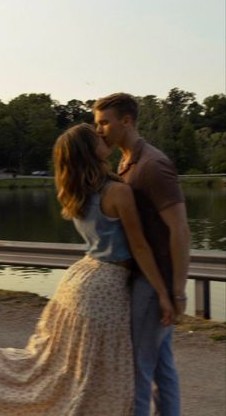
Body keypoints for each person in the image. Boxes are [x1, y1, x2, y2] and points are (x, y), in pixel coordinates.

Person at [0, 123, 174, 416]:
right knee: (98, 370)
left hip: (80, 280)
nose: (102, 136)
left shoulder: (72, 191)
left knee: (63, 365)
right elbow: (139, 247)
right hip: (107, 287)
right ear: (89, 151)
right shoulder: (118, 192)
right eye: (95, 136)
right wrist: (164, 293)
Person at [94, 93, 190, 416]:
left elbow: (180, 229)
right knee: (162, 367)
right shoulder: (126, 164)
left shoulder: (153, 165)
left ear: (127, 121)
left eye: (105, 122)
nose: (100, 130)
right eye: (96, 124)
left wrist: (176, 291)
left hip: (154, 284)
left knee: (139, 370)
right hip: (147, 280)